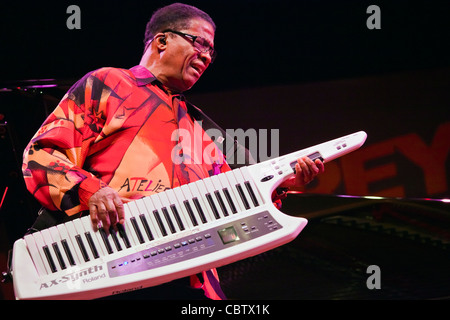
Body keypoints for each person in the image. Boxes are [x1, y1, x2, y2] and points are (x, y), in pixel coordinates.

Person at [22, 3, 324, 300]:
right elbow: (42, 154)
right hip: (112, 261)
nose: (206, 55)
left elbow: (236, 195)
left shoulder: (200, 126)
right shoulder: (109, 83)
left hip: (191, 277)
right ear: (162, 40)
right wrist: (90, 190)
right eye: (200, 42)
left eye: (212, 50)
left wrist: (283, 183)